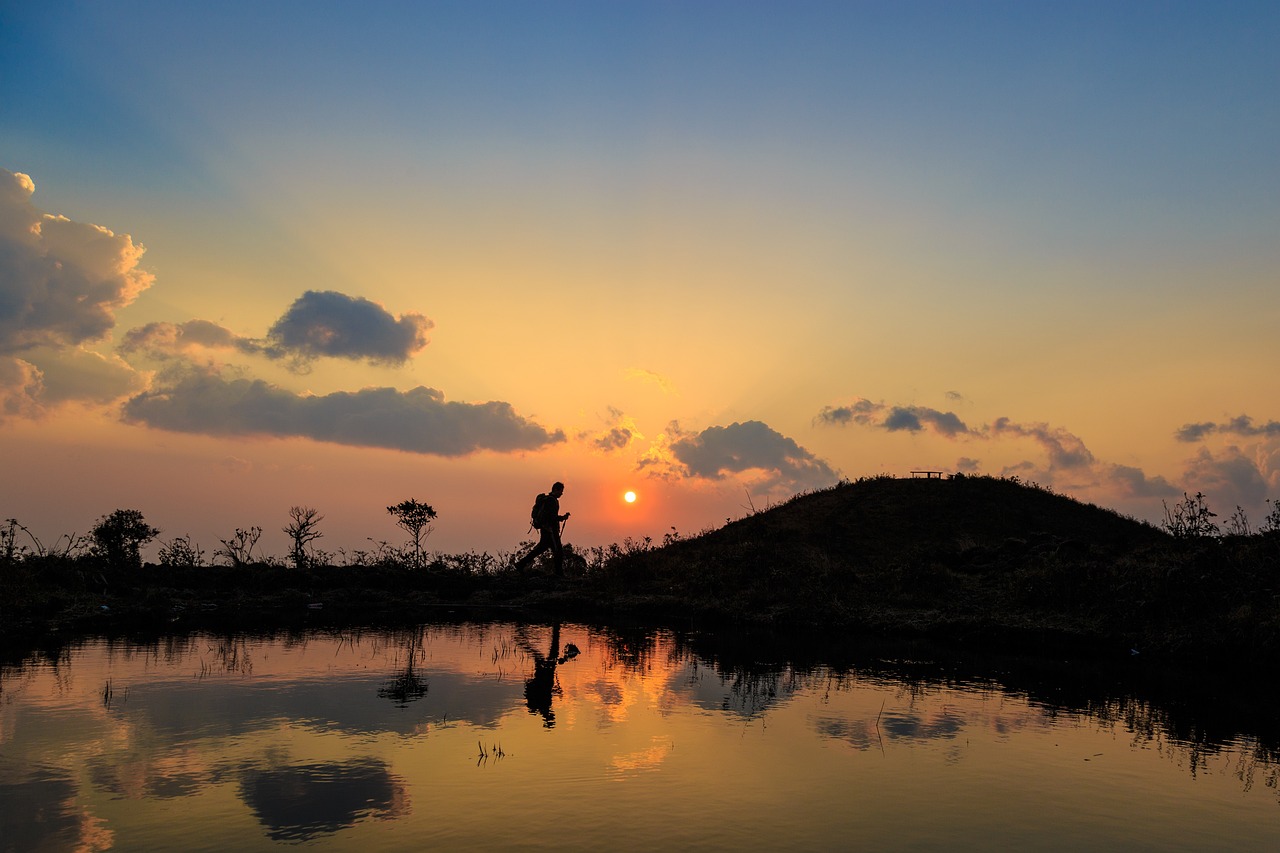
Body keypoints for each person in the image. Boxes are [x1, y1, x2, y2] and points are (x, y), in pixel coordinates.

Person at [515, 481, 570, 575]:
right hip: (550, 530)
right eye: (561, 491)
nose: (561, 493)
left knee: (541, 549)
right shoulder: (552, 501)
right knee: (558, 551)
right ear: (556, 489)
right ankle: (559, 573)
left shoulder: (549, 500)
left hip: (546, 529)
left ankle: (521, 564)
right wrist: (562, 518)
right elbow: (551, 517)